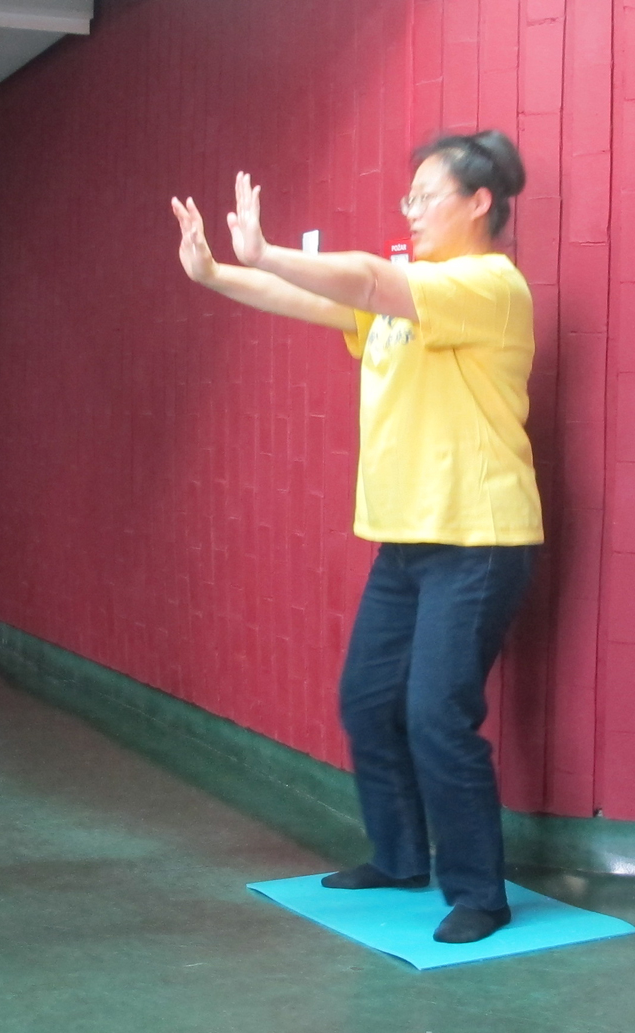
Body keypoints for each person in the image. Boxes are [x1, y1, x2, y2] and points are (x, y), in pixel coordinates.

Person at [171, 130, 541, 944]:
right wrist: (219, 273)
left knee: (437, 713)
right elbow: (312, 300)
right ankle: (401, 856)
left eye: (426, 196)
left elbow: (370, 277)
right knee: (368, 701)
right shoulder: (405, 301)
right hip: (407, 539)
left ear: (479, 202)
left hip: (478, 539)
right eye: (408, 198)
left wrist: (267, 248)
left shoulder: (487, 285)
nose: (411, 210)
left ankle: (479, 891)